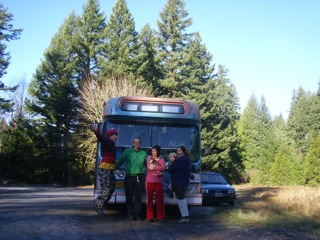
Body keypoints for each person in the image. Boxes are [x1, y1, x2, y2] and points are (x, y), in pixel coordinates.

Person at [116, 137, 148, 221]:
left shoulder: (144, 153)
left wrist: (159, 166)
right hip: (129, 177)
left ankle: (137, 214)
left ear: (140, 143)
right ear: (133, 143)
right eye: (135, 142)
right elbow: (119, 162)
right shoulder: (127, 152)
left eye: (138, 142)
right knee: (129, 196)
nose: (137, 144)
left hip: (140, 178)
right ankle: (130, 214)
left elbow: (149, 164)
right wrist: (109, 168)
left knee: (138, 197)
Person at [91, 125, 118, 216]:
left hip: (110, 170)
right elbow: (100, 138)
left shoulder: (112, 145)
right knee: (106, 189)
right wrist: (96, 131)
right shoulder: (107, 142)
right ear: (110, 136)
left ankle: (102, 204)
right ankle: (98, 205)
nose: (116, 137)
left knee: (112, 188)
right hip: (105, 169)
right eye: (115, 135)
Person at [167, 146, 191, 223]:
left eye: (179, 151)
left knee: (181, 199)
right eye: (177, 151)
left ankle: (185, 217)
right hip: (183, 182)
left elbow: (171, 169)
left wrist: (167, 168)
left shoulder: (181, 159)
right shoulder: (187, 159)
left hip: (179, 182)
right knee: (181, 199)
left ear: (183, 151)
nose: (178, 152)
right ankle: (185, 216)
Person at [145, 145, 166, 223]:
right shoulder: (149, 158)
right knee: (149, 199)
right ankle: (149, 216)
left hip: (159, 181)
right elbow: (148, 167)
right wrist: (158, 170)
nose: (153, 152)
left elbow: (163, 167)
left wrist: (154, 168)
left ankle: (160, 217)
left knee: (160, 199)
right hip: (150, 181)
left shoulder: (161, 159)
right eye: (152, 150)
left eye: (155, 150)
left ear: (158, 151)